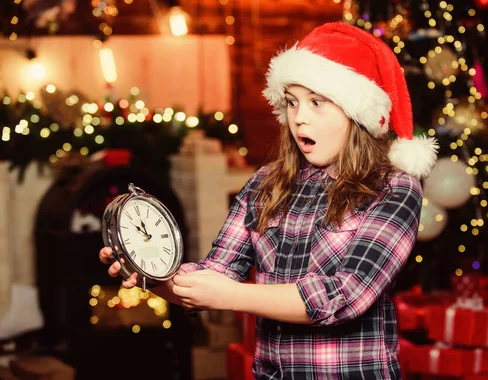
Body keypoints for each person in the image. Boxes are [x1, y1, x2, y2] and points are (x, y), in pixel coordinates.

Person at [99, 21, 438, 379]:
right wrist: (149, 272)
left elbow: (345, 296)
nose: (299, 117)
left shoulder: (394, 188)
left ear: (357, 114)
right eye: (292, 102)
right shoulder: (266, 183)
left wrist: (229, 295)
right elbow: (216, 275)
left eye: (317, 102)